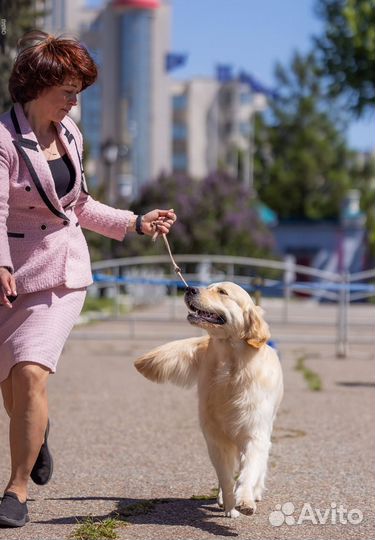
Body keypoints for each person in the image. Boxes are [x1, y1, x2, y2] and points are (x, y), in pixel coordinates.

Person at [0, 30, 176, 528]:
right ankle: (38, 433)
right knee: (14, 390)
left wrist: (134, 222)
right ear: (37, 84)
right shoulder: (3, 140)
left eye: (79, 89)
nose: (76, 99)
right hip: (9, 275)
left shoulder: (71, 133)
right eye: (69, 89)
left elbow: (76, 204)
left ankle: (15, 491)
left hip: (60, 270)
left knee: (31, 373)